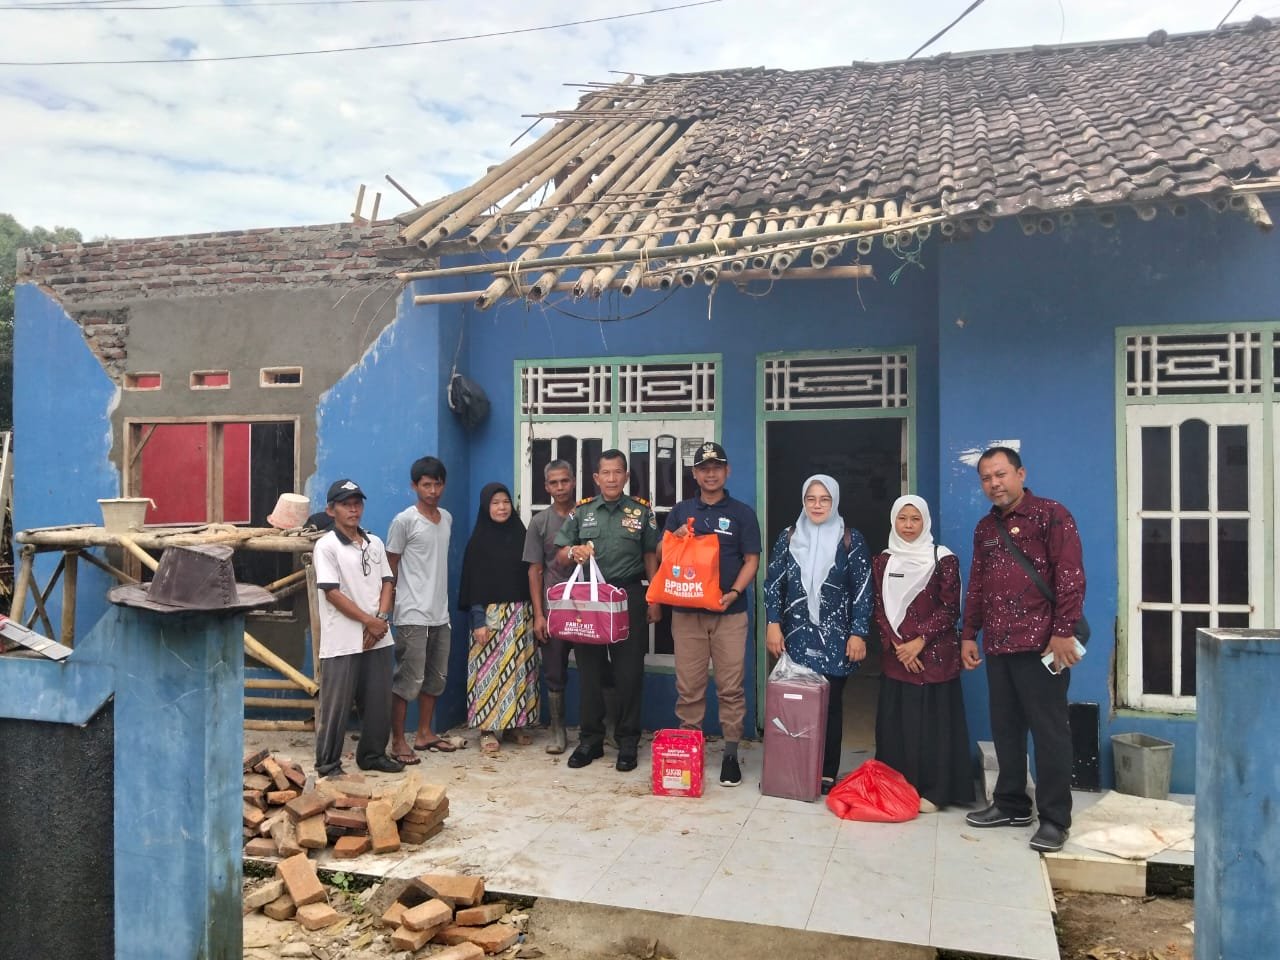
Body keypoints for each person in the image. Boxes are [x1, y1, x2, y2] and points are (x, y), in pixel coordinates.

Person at [961, 446, 1085, 853]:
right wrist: (969, 634)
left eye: (1000, 474)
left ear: (1020, 473)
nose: (994, 483)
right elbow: (977, 585)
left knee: (1050, 733)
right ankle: (1011, 803)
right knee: (1006, 729)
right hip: (999, 643)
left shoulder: (1052, 515)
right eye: (986, 478)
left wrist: (1063, 631)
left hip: (1043, 645)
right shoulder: (984, 529)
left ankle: (1054, 819)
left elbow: (1069, 576)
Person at [661, 442, 761, 788]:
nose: (711, 473)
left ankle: (730, 753)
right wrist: (671, 538)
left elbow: (752, 560)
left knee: (731, 687)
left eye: (717, 466)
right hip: (687, 614)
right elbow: (663, 554)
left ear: (727, 471)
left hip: (729, 613)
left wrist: (733, 593)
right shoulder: (681, 510)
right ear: (695, 474)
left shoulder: (743, 514)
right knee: (689, 687)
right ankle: (691, 748)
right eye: (704, 468)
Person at [764, 474, 872, 793]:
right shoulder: (789, 537)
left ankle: (826, 771)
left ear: (835, 502)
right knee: (797, 702)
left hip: (837, 638)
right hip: (796, 635)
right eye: (811, 499)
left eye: (824, 499)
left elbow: (863, 590)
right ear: (803, 502)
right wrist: (773, 623)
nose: (817, 505)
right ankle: (796, 762)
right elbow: (774, 583)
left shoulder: (851, 540)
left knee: (831, 705)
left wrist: (859, 633)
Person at [554, 449, 661, 772]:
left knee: (629, 673)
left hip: (628, 595)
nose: (612, 478)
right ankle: (590, 741)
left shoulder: (640, 512)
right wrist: (573, 551)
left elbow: (650, 557)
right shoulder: (582, 512)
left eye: (618, 473)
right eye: (606, 473)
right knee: (590, 672)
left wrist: (654, 598)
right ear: (596, 478)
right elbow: (559, 555)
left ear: (626, 477)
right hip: (589, 599)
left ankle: (627, 742)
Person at [872, 495, 974, 812]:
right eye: (902, 519)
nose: (908, 526)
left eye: (915, 519)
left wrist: (919, 642)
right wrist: (900, 645)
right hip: (897, 656)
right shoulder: (884, 560)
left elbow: (949, 609)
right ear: (893, 521)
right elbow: (878, 607)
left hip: (933, 658)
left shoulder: (942, 559)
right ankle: (898, 786)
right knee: (898, 723)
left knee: (933, 726)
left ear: (925, 522)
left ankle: (935, 790)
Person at [312, 478, 404, 777]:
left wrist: (382, 619)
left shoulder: (374, 543)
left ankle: (373, 755)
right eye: (345, 504)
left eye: (357, 503)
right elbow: (332, 592)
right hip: (343, 637)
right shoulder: (326, 546)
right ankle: (328, 764)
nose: (353, 509)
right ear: (331, 510)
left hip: (378, 634)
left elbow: (388, 581)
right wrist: (369, 621)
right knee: (336, 705)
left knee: (379, 700)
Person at [458, 482, 540, 754]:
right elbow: (473, 584)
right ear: (486, 507)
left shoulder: (521, 535)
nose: (502, 507)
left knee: (519, 670)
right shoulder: (478, 542)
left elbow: (532, 573)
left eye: (505, 502)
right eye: (495, 503)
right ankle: (488, 729)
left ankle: (516, 724)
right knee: (489, 673)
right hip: (492, 616)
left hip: (521, 614)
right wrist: (478, 621)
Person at [385, 456, 455, 765]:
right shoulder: (404, 521)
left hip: (441, 613)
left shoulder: (447, 518)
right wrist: (386, 609)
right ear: (415, 486)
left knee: (435, 678)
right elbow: (390, 566)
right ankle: (398, 741)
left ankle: (425, 733)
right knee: (407, 681)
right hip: (412, 613)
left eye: (438, 484)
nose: (433, 490)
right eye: (427, 485)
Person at [523, 459, 577, 754]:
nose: (560, 487)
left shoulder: (587, 515)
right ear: (546, 487)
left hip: (587, 609)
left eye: (564, 481)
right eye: (553, 483)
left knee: (598, 669)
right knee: (554, 672)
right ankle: (558, 732)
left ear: (574, 481)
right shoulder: (539, 522)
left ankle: (603, 731)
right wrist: (539, 615)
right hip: (553, 610)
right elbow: (534, 570)